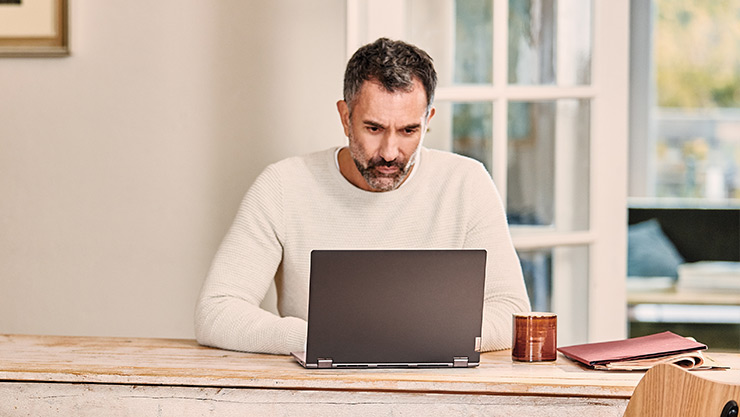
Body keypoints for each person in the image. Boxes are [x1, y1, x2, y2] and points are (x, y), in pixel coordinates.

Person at [195, 38, 530, 355]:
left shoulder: (466, 183)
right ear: (345, 117)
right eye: (373, 128)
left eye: (408, 131)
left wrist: (394, 337)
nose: (389, 152)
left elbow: (511, 312)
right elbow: (217, 311)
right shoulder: (283, 186)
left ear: (428, 120)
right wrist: (324, 338)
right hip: (319, 393)